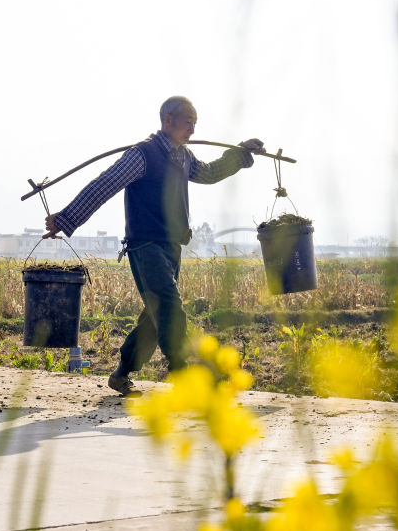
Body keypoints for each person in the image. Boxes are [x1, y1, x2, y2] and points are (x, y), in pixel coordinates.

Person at [43, 96, 263, 395]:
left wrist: (240, 154)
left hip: (172, 246)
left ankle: (121, 374)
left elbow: (209, 174)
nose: (192, 131)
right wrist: (66, 218)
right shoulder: (142, 155)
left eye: (195, 125)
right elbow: (104, 185)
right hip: (145, 245)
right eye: (187, 123)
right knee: (170, 306)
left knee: (154, 315)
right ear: (168, 120)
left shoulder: (183, 157)